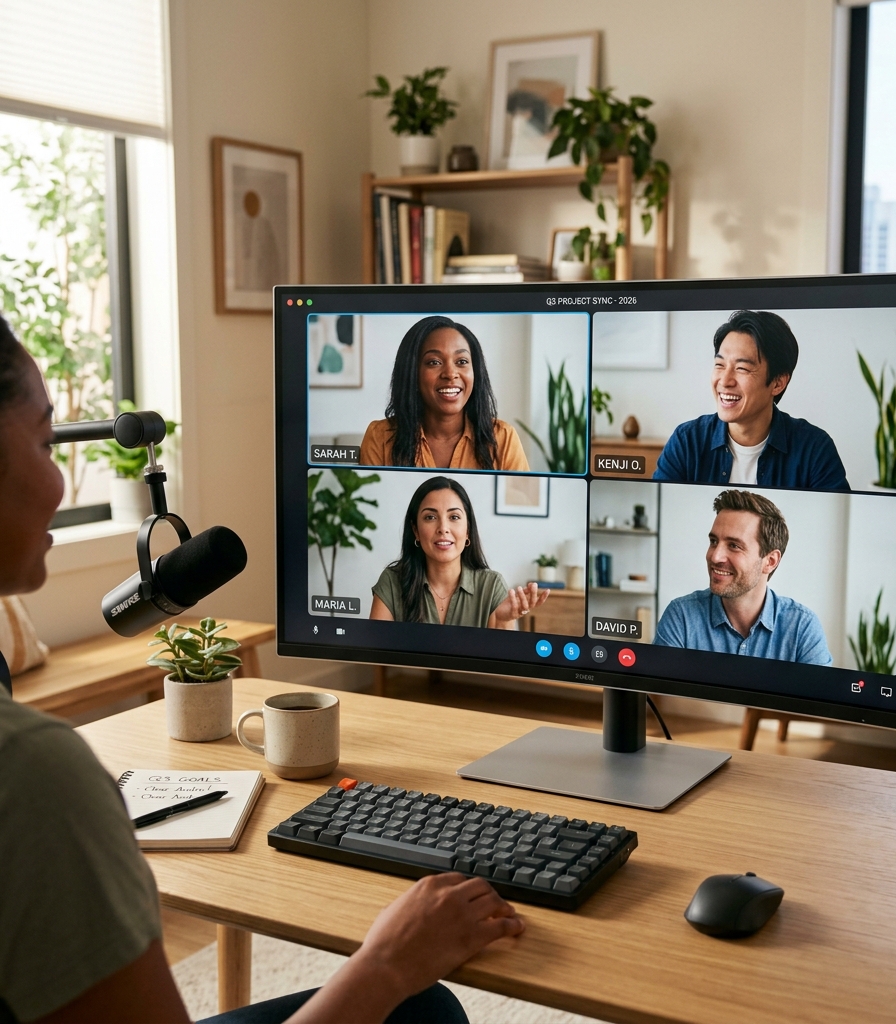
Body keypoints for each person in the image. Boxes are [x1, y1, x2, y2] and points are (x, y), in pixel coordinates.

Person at [0, 316, 524, 1024]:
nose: (62, 478)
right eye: (42, 439)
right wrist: (387, 961)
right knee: (422, 1010)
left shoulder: (499, 457)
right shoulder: (32, 775)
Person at [652, 310, 850, 491]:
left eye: (742, 368)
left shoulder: (814, 449)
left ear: (778, 383)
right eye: (719, 365)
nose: (725, 381)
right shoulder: (687, 442)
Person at [654, 489, 832, 665]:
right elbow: (661, 692)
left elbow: (820, 693)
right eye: (714, 541)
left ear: (770, 561)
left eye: (734, 545)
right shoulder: (682, 616)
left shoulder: (802, 627)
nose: (715, 556)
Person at [369, 476, 548, 629]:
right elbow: (377, 657)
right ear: (415, 530)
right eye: (430, 517)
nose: (443, 528)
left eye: (454, 517)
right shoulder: (392, 582)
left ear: (468, 530)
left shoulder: (492, 585)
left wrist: (501, 623)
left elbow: (503, 665)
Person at [359, 316, 530, 471]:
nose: (450, 373)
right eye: (434, 362)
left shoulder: (503, 438)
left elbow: (522, 504)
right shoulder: (380, 436)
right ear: (413, 372)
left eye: (462, 361)